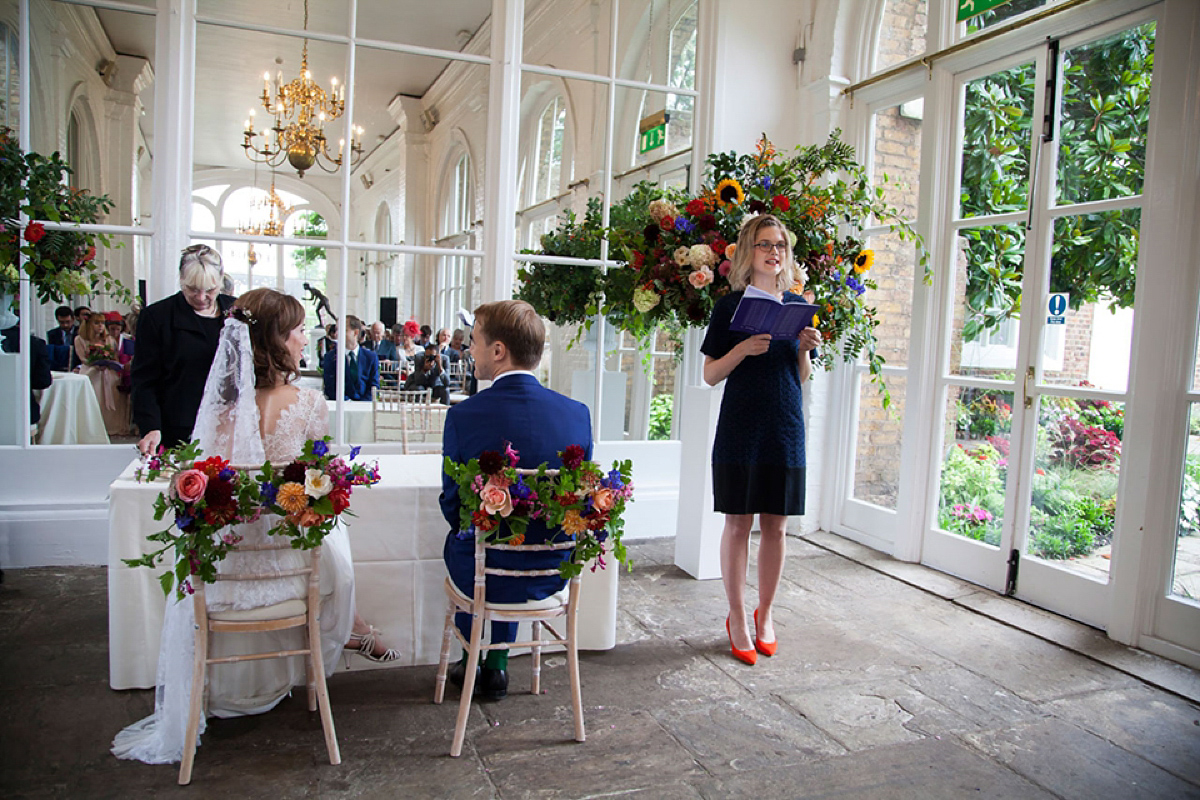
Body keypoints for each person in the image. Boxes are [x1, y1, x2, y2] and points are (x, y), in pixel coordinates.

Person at [112, 288, 397, 766]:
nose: (307, 339)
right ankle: (353, 628)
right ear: (277, 340)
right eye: (299, 330)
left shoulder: (220, 412)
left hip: (226, 578)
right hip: (290, 577)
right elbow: (314, 481)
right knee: (332, 539)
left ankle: (352, 629)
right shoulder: (308, 404)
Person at [440, 299, 593, 700]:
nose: (468, 349)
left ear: (498, 351)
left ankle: (471, 658)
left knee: (470, 537)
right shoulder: (577, 415)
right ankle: (498, 663)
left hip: (485, 572)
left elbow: (454, 506)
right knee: (503, 536)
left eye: (474, 342)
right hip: (552, 571)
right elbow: (576, 500)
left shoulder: (463, 416)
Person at [700, 214, 822, 667]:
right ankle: (736, 616)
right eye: (767, 243)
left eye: (783, 245)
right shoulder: (729, 308)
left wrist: (805, 348)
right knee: (738, 523)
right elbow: (711, 374)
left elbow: (801, 375)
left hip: (785, 424)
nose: (776, 252)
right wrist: (741, 350)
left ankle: (765, 614)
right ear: (749, 250)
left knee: (777, 525)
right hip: (741, 424)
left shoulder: (796, 304)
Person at [131, 245, 236, 455]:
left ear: (221, 280)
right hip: (178, 427)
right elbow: (144, 380)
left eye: (210, 290)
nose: (201, 297)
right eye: (192, 289)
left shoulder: (236, 311)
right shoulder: (157, 317)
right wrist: (151, 426)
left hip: (229, 426)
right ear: (181, 279)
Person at [76, 311, 131, 436]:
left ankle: (113, 427)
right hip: (91, 372)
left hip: (108, 372)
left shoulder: (109, 340)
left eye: (102, 323)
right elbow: (83, 358)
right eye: (96, 323)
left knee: (115, 397)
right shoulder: (80, 339)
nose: (100, 326)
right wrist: (95, 362)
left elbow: (115, 356)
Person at [321, 315, 379, 401]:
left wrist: (361, 404)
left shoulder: (370, 357)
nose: (337, 334)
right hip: (341, 405)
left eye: (343, 330)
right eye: (337, 329)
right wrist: (347, 402)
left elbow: (374, 386)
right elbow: (330, 388)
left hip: (365, 406)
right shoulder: (330, 357)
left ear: (355, 332)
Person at [46, 305, 76, 370]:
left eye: (68, 322)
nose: (65, 325)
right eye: (61, 322)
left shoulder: (80, 332)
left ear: (73, 319)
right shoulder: (52, 334)